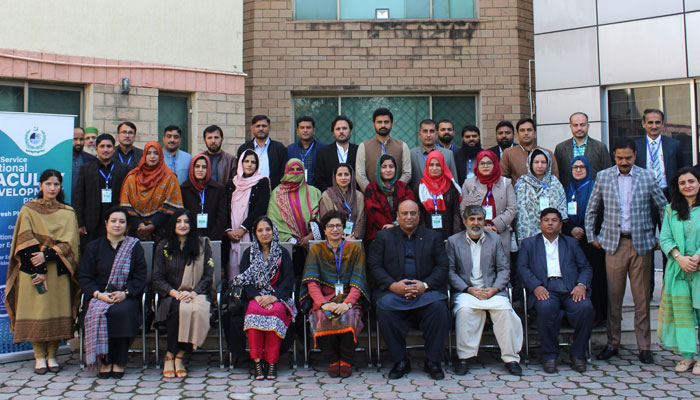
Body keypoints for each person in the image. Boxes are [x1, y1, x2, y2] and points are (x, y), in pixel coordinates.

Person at [586, 138, 667, 365]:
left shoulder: (647, 176)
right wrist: (592, 237)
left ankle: (644, 347)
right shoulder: (603, 177)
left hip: (641, 244)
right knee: (614, 298)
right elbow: (592, 209)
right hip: (614, 244)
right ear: (614, 156)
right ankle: (613, 343)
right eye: (620, 158)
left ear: (635, 155)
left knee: (642, 299)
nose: (624, 162)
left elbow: (663, 207)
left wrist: (662, 237)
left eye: (628, 158)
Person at [5, 169, 80, 374]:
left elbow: (71, 243)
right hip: (32, 270)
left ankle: (53, 355)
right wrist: (39, 269)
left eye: (56, 185)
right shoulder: (28, 210)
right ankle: (39, 356)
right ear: (40, 186)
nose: (52, 188)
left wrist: (48, 256)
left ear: (60, 187)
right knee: (37, 311)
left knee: (56, 310)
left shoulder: (67, 212)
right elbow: (24, 240)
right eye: (48, 184)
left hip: (58, 270)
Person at [368, 200, 450, 380]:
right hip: (394, 292)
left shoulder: (433, 237)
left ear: (419, 216)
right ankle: (401, 361)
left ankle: (433, 361)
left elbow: (442, 267)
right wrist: (393, 286)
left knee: (439, 309)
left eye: (413, 213)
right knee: (384, 309)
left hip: (425, 293)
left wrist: (425, 285)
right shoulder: (384, 237)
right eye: (404, 213)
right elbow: (374, 266)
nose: (409, 217)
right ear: (397, 216)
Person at [447, 205, 523, 376]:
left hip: (492, 290)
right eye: (472, 219)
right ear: (465, 221)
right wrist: (468, 289)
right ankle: (464, 358)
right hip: (467, 291)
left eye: (479, 219)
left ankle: (511, 359)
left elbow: (504, 269)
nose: (476, 223)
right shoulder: (453, 241)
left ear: (484, 220)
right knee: (466, 312)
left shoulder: (494, 239)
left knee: (505, 312)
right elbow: (450, 272)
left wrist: (494, 289)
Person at [518, 208, 593, 373]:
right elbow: (522, 269)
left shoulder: (571, 243)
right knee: (546, 308)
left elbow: (585, 267)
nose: (550, 223)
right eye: (546, 220)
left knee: (585, 308)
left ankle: (578, 354)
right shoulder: (529, 244)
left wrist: (581, 285)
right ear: (540, 223)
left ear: (560, 224)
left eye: (554, 220)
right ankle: (550, 356)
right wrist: (535, 286)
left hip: (569, 288)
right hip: (545, 288)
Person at [299, 211, 370, 377]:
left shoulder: (354, 249)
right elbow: (312, 282)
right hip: (323, 300)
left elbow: (358, 281)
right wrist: (323, 304)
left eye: (338, 226)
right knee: (319, 318)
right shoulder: (316, 250)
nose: (335, 229)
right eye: (330, 226)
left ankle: (345, 360)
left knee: (350, 317)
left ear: (343, 228)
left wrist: (347, 304)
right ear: (324, 230)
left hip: (348, 299)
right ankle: (332, 360)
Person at [79, 206, 147, 378]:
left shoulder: (134, 247)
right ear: (106, 223)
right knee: (98, 313)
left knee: (123, 311)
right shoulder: (94, 247)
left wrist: (126, 293)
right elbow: (85, 277)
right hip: (98, 295)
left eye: (122, 222)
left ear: (127, 226)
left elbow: (140, 277)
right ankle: (106, 361)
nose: (117, 225)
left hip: (126, 295)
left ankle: (119, 360)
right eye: (114, 221)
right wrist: (99, 295)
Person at [232, 216, 296, 380]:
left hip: (277, 298)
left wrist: (274, 297)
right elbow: (245, 280)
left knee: (276, 312)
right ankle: (258, 363)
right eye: (260, 230)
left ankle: (272, 363)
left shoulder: (282, 254)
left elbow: (288, 280)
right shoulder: (249, 254)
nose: (264, 233)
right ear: (255, 234)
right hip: (256, 298)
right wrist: (257, 296)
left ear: (273, 231)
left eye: (267, 229)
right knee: (253, 312)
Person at [152, 209, 214, 379]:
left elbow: (208, 276)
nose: (182, 225)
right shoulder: (163, 246)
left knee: (190, 309)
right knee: (177, 308)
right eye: (178, 221)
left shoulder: (202, 245)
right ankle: (171, 355)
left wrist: (193, 293)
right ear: (173, 224)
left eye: (186, 222)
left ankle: (177, 356)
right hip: (170, 295)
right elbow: (157, 278)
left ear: (192, 225)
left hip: (197, 294)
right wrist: (175, 293)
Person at [635, 109, 685, 296]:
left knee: (669, 243)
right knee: (646, 244)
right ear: (643, 124)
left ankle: (668, 290)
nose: (654, 126)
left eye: (658, 122)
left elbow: (682, 171)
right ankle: (646, 292)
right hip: (645, 199)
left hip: (668, 198)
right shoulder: (636, 146)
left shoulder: (675, 145)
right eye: (650, 122)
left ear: (663, 124)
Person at [658, 167, 700, 374]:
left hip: (699, 268)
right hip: (679, 269)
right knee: (683, 314)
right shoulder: (670, 210)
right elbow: (664, 238)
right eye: (683, 183)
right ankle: (687, 356)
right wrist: (680, 258)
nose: (687, 186)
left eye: (691, 181)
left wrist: (697, 258)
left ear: (699, 183)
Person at [562, 156, 607, 323]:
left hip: (592, 242)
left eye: (582, 167)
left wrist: (588, 231)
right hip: (571, 240)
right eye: (575, 167)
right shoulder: (565, 190)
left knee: (594, 278)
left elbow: (602, 213)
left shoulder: (597, 188)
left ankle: (596, 317)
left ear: (588, 169)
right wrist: (571, 229)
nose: (579, 170)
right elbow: (560, 214)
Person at [267, 158, 322, 277]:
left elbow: (320, 218)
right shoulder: (277, 193)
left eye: (299, 169)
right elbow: (273, 220)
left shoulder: (314, 192)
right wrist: (291, 240)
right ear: (286, 172)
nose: (295, 172)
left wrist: (310, 236)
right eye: (292, 169)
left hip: (312, 245)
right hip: (288, 247)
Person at [120, 141, 183, 241]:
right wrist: (140, 225)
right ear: (144, 155)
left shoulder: (170, 178)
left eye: (156, 153)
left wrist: (153, 225)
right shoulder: (132, 177)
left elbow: (172, 205)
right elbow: (125, 204)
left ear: (161, 155)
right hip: (136, 230)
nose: (152, 156)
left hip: (162, 230)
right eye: (149, 153)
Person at [74, 133, 128, 245]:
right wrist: (80, 223)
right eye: (102, 146)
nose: (105, 150)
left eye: (109, 146)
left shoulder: (123, 169)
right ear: (96, 148)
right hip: (92, 223)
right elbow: (79, 197)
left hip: (115, 220)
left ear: (113, 149)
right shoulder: (86, 168)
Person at [460, 150, 516, 255]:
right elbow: (464, 210)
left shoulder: (506, 183)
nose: (486, 166)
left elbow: (512, 208)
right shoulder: (469, 184)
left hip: (500, 231)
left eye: (489, 163)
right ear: (477, 165)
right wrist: (482, 227)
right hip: (476, 231)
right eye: (482, 163)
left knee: (500, 265)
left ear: (495, 164)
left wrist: (496, 225)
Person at [225, 149, 271, 278]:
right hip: (232, 233)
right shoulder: (232, 183)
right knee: (232, 266)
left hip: (250, 232)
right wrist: (229, 230)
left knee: (251, 264)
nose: (249, 165)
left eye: (253, 162)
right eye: (246, 161)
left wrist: (243, 228)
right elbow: (226, 209)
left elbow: (260, 209)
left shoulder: (262, 182)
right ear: (241, 163)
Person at [514, 149, 567, 245]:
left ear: (548, 164)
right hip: (529, 233)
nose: (540, 166)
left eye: (543, 162)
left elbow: (562, 206)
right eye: (536, 162)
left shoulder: (554, 182)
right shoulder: (522, 183)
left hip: (551, 231)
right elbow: (519, 211)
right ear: (530, 164)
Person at [355, 108, 411, 191]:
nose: (383, 125)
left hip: (397, 198)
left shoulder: (402, 146)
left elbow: (407, 173)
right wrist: (371, 193)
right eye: (379, 122)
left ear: (392, 124)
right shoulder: (363, 146)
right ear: (373, 124)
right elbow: (360, 174)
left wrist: (395, 191)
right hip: (371, 199)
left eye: (386, 122)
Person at [363, 154, 416, 242]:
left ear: (396, 169)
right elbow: (373, 213)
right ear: (379, 169)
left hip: (403, 232)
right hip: (378, 234)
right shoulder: (371, 189)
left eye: (391, 167)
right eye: (384, 167)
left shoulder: (404, 187)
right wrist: (388, 228)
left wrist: (396, 225)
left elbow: (411, 208)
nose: (388, 170)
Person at [554, 112, 612, 187]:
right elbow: (556, 176)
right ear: (570, 127)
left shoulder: (600, 147)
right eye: (575, 125)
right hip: (568, 194)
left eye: (582, 125)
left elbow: (607, 174)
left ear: (588, 126)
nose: (579, 128)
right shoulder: (560, 148)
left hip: (593, 194)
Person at [180, 154, 228, 241]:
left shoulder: (218, 189)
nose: (200, 170)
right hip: (190, 239)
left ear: (208, 169)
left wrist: (211, 238)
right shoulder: (184, 189)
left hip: (213, 238)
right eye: (197, 166)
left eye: (204, 167)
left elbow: (222, 217)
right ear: (192, 168)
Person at [417, 150, 462, 239]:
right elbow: (418, 213)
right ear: (427, 166)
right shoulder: (420, 186)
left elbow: (456, 212)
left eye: (438, 165)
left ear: (443, 166)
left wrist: (455, 236)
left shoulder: (450, 186)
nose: (434, 168)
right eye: (431, 165)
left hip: (448, 233)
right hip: (426, 234)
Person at [500, 118, 559, 183]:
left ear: (535, 134)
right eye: (522, 130)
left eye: (529, 130)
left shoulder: (547, 153)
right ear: (517, 134)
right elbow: (503, 180)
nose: (526, 133)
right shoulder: (509, 153)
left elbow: (555, 179)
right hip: (516, 192)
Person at [237, 115, 288, 189]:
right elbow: (239, 171)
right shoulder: (244, 149)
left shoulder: (279, 148)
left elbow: (284, 173)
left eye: (264, 126)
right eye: (257, 126)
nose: (261, 129)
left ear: (270, 127)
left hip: (273, 193)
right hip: (248, 192)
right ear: (251, 128)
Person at [319, 163, 366, 240]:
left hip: (353, 240)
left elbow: (362, 219)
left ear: (351, 176)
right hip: (333, 240)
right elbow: (325, 220)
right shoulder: (327, 195)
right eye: (340, 175)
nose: (343, 178)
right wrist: (340, 237)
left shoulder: (359, 196)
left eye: (346, 174)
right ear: (334, 177)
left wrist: (354, 237)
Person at [409, 119, 458, 190]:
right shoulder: (411, 154)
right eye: (425, 131)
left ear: (437, 134)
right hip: (418, 199)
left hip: (442, 198)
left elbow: (454, 181)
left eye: (431, 131)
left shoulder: (448, 154)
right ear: (419, 134)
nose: (428, 135)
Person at [314, 115, 359, 193]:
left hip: (354, 196)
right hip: (330, 198)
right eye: (338, 129)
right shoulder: (323, 152)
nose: (341, 131)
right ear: (333, 133)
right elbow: (319, 179)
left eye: (344, 128)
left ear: (350, 131)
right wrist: (331, 194)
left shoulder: (358, 150)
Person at [287, 116, 326, 187]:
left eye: (308, 127)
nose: (305, 130)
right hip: (295, 191)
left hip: (317, 191)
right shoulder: (289, 150)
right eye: (302, 128)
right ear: (297, 131)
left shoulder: (323, 149)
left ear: (313, 131)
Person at [72, 127, 96, 200]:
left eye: (81, 139)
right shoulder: (62, 159)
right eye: (75, 139)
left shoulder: (92, 159)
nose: (78, 143)